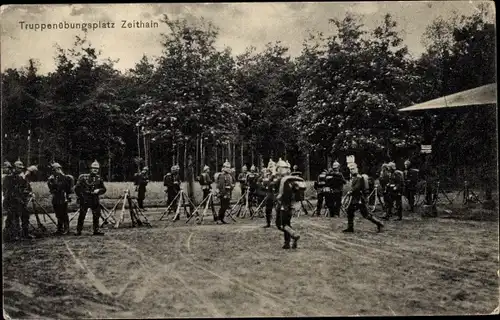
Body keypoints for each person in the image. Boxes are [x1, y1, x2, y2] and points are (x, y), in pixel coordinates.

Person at [343, 161, 384, 233]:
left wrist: (351, 191)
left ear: (356, 169)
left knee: (366, 215)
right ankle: (350, 228)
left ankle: (379, 223)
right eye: (350, 169)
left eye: (353, 169)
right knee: (350, 211)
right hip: (354, 199)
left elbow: (357, 187)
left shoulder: (359, 177)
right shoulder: (354, 178)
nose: (352, 170)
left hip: (360, 199)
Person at [274, 158, 305, 249]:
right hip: (290, 205)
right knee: (286, 224)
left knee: (280, 224)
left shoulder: (282, 180)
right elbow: (298, 193)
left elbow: (273, 187)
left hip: (283, 205)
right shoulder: (292, 180)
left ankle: (293, 235)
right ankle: (287, 243)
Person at [74, 160, 107, 236]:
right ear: (91, 169)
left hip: (94, 199)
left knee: (96, 215)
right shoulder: (83, 177)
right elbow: (77, 188)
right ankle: (78, 230)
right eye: (94, 168)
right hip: (85, 199)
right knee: (82, 215)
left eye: (97, 169)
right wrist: (81, 196)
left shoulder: (99, 179)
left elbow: (104, 189)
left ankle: (96, 230)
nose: (95, 170)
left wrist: (98, 190)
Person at [47, 162, 73, 235]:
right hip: (56, 197)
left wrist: (68, 196)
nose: (54, 171)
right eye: (53, 170)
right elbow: (51, 189)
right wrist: (50, 182)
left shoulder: (65, 178)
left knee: (64, 213)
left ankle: (66, 229)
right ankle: (59, 228)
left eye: (55, 170)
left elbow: (65, 188)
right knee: (58, 213)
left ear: (59, 169)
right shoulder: (52, 178)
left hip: (63, 197)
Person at [216, 160, 234, 224]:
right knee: (223, 207)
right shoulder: (222, 176)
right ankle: (219, 219)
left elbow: (230, 184)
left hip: (228, 193)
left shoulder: (229, 176)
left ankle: (222, 218)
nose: (229, 169)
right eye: (227, 167)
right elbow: (221, 186)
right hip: (224, 193)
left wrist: (232, 187)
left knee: (225, 206)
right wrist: (223, 194)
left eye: (229, 167)